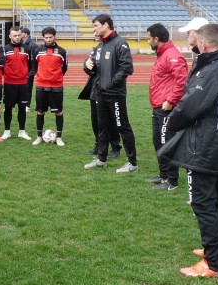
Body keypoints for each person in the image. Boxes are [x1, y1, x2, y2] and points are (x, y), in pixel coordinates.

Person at [158, 23, 218, 278]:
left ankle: (212, 263)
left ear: (203, 43)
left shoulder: (216, 69)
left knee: (202, 202)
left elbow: (190, 105)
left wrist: (171, 122)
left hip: (205, 146)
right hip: (217, 143)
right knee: (216, 198)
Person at [83, 14, 138, 172]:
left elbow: (126, 68)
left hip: (115, 94)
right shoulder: (100, 45)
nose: (94, 29)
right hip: (100, 94)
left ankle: (132, 163)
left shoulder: (120, 43)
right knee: (102, 127)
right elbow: (94, 69)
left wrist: (110, 84)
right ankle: (101, 159)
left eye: (96, 26)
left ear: (106, 25)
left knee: (122, 126)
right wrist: (87, 65)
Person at [146, 23, 187, 190]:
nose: (148, 41)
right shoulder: (163, 54)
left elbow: (181, 80)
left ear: (156, 39)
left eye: (149, 38)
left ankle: (172, 181)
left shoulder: (172, 55)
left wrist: (170, 100)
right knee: (158, 142)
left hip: (166, 108)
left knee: (166, 143)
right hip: (158, 106)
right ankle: (163, 175)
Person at [31, 27, 67, 146]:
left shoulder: (62, 51)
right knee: (40, 112)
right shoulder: (38, 51)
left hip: (56, 87)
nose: (48, 39)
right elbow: (35, 66)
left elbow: (64, 68)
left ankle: (59, 137)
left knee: (58, 112)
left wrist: (56, 77)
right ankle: (39, 137)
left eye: (50, 37)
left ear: (54, 36)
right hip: (41, 86)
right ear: (43, 38)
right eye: (46, 37)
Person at [79, 65, 121, 157]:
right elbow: (88, 69)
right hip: (95, 90)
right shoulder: (95, 55)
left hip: (109, 91)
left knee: (111, 120)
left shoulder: (113, 56)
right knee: (95, 120)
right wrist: (87, 65)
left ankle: (115, 147)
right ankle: (99, 145)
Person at [0, 26, 34, 140]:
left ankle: (22, 131)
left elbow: (31, 66)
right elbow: (2, 66)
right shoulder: (4, 49)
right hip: (9, 83)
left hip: (23, 84)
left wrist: (26, 76)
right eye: (15, 35)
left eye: (19, 35)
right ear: (10, 36)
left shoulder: (27, 49)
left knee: (22, 107)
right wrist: (8, 75)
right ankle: (7, 131)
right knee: (8, 108)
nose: (17, 37)